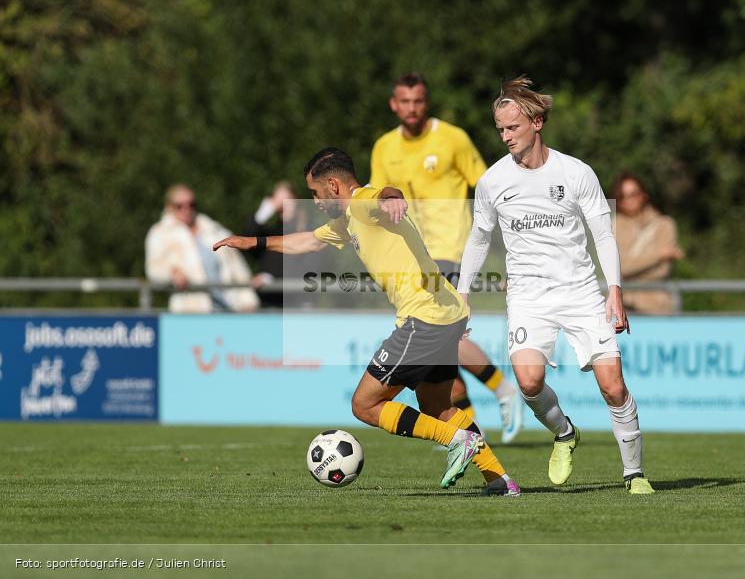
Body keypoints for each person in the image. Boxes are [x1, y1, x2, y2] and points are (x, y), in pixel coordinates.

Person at [214, 148, 520, 496]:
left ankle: (456, 441)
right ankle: (500, 480)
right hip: (444, 314)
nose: (313, 201)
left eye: (314, 193)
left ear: (333, 185)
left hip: (424, 318)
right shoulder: (346, 220)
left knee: (364, 405)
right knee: (438, 407)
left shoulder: (362, 203)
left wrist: (394, 199)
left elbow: (384, 195)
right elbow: (309, 241)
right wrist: (252, 242)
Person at [457, 76, 653, 494]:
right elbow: (478, 239)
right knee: (527, 381)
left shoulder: (576, 172)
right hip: (528, 295)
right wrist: (461, 294)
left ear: (537, 122)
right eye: (501, 130)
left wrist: (613, 291)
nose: (506, 137)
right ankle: (565, 432)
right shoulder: (493, 181)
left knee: (613, 386)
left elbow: (603, 235)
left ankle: (634, 474)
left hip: (581, 291)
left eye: (513, 128)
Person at [370, 72, 524, 443]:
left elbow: (487, 186)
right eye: (404, 101)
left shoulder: (452, 138)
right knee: (441, 367)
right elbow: (375, 201)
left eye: (418, 101)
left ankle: (504, 390)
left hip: (449, 250)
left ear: (427, 102)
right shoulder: (383, 147)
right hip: (412, 260)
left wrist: (507, 250)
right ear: (394, 104)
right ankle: (471, 438)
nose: (411, 108)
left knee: (444, 339)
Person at [145, 184, 259, 313]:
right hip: (191, 311)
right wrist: (171, 272)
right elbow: (153, 269)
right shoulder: (160, 232)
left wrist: (249, 300)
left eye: (191, 204)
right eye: (180, 206)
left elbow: (238, 269)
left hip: (230, 308)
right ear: (169, 207)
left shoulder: (213, 229)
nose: (186, 209)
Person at [611, 173, 684, 314]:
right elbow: (621, 268)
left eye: (633, 194)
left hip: (657, 306)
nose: (628, 200)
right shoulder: (613, 225)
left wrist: (633, 265)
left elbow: (662, 270)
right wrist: (660, 254)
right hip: (622, 305)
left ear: (643, 194)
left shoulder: (665, 225)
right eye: (622, 196)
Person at [243, 181, 323, 309]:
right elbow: (247, 242)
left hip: (297, 303)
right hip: (270, 303)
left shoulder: (308, 232)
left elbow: (309, 270)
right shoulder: (271, 233)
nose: (283, 205)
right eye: (279, 200)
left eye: (287, 200)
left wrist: (271, 279)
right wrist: (264, 212)